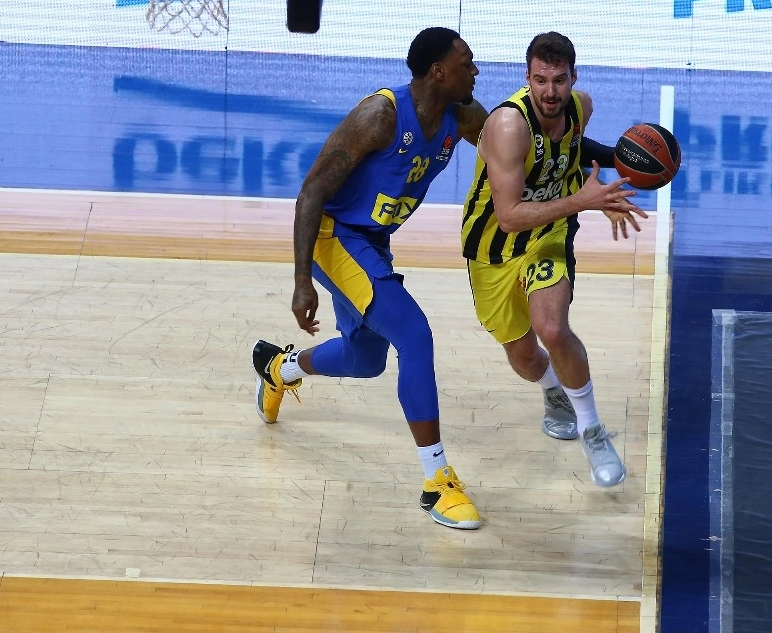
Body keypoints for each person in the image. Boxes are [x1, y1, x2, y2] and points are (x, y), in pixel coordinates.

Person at [252, 27, 489, 530]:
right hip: (334, 237)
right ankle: (437, 480)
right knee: (414, 334)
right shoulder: (380, 115)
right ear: (437, 72)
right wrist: (301, 281)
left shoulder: (463, 115)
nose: (476, 70)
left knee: (364, 360)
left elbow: (510, 143)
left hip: (371, 243)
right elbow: (312, 191)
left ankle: (281, 368)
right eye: (467, 62)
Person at [461, 31, 646, 488]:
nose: (550, 91)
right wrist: (586, 199)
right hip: (494, 245)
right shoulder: (509, 126)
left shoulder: (579, 106)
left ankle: (593, 431)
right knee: (524, 357)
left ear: (572, 79)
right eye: (540, 80)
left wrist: (626, 165)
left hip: (549, 234)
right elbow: (507, 217)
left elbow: (575, 147)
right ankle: (553, 392)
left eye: (559, 81)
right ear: (527, 78)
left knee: (552, 327)